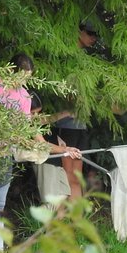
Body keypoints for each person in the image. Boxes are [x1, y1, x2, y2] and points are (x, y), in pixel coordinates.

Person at [0, 55, 81, 250]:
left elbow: (33, 135)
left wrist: (65, 150)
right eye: (21, 77)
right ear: (10, 70)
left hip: (6, 157)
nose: (23, 83)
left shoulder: (23, 96)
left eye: (27, 79)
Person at [48, 22, 97, 201]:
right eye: (91, 33)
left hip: (80, 125)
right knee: (67, 174)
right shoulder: (64, 58)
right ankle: (65, 218)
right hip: (64, 125)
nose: (94, 38)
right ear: (79, 32)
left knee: (76, 175)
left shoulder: (84, 61)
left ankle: (76, 219)